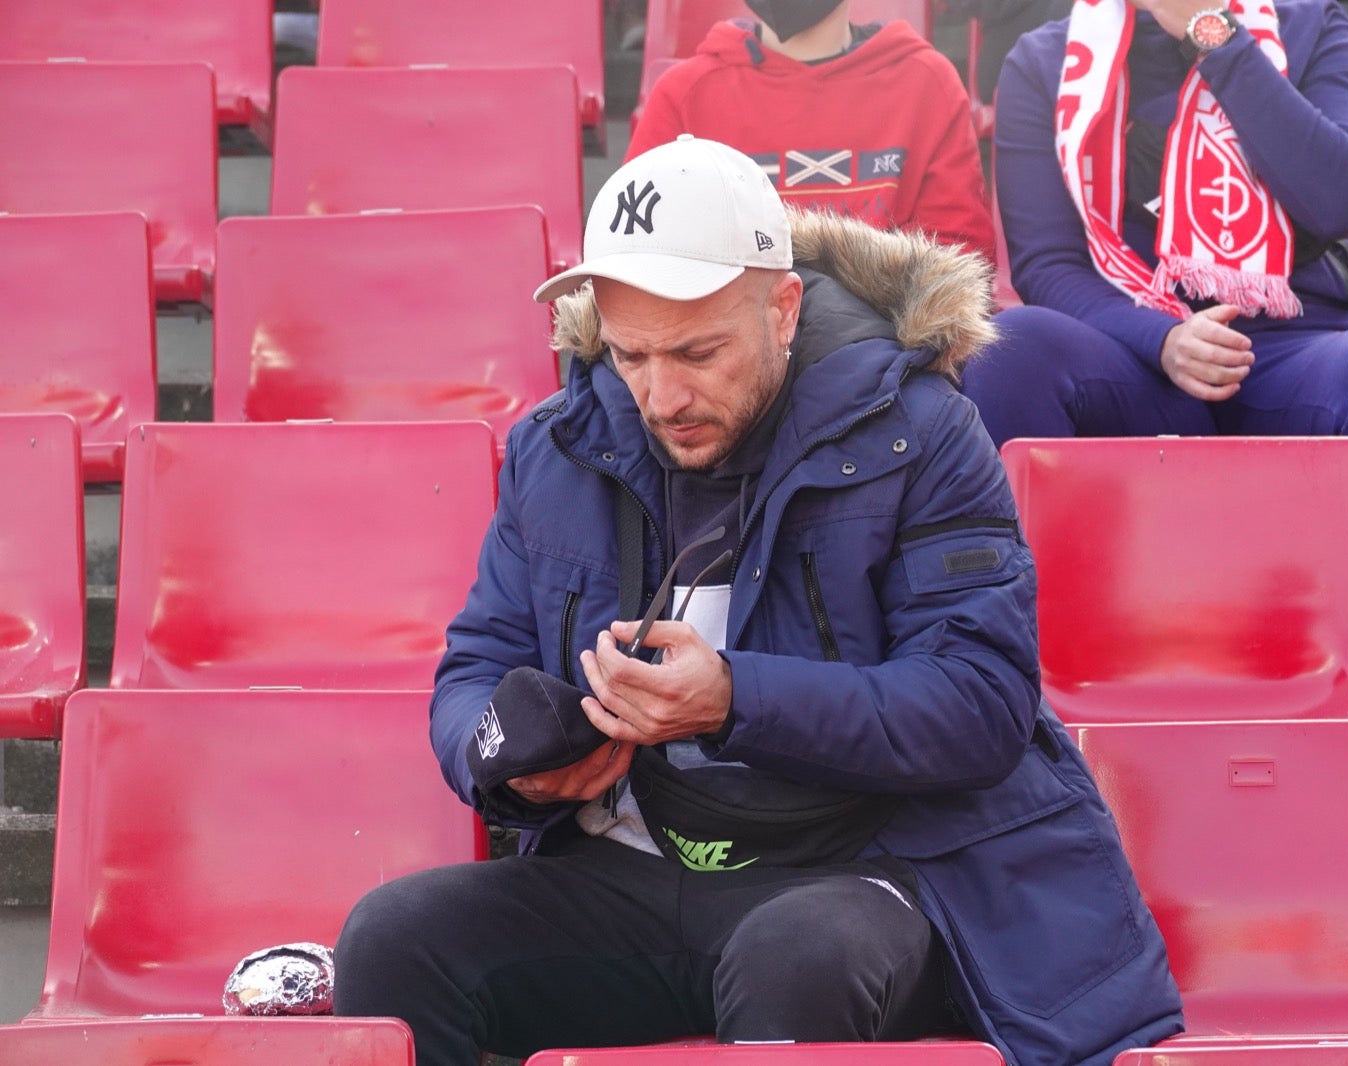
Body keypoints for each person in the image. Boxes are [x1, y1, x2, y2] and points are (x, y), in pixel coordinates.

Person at [331, 136, 1183, 1066]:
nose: (662, 394)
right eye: (630, 355)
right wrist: (511, 763)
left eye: (698, 351)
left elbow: (981, 705)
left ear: (783, 310)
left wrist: (736, 700)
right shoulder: (559, 443)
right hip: (630, 865)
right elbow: (474, 669)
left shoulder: (925, 431)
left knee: (799, 960)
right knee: (392, 939)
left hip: (872, 866)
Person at [961, 0, 1348, 719]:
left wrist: (1214, 36)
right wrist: (1159, 340)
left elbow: (1340, 195)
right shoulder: (1047, 60)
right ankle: (1016, 708)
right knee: (1012, 350)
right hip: (1132, 346)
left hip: (1295, 342)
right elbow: (1046, 265)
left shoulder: (1312, 26)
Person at [628, 1, 995, 260]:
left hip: (885, 356)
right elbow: (635, 251)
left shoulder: (925, 84)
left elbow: (958, 265)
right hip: (719, 352)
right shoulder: (684, 95)